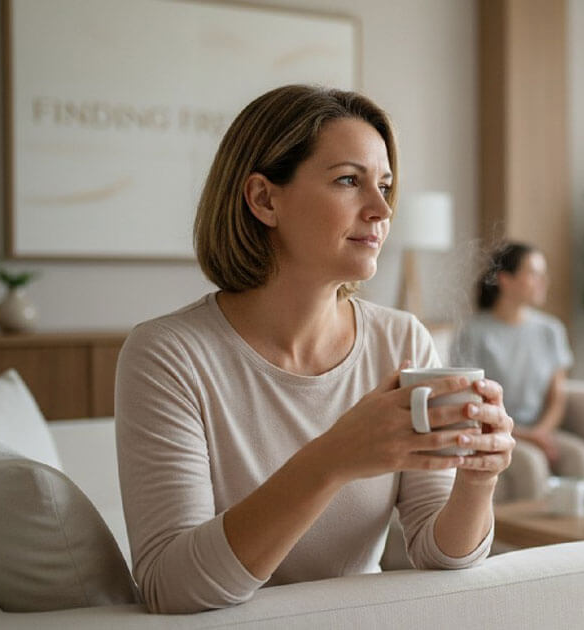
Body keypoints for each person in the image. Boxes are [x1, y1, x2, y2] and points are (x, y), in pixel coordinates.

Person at [114, 85, 515, 614]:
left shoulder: (402, 341)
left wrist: (476, 482)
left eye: (385, 185)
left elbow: (438, 558)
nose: (380, 210)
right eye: (349, 181)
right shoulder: (169, 355)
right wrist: (333, 459)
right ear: (263, 199)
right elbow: (173, 588)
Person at [453, 242, 575, 501]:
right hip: (495, 431)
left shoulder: (551, 330)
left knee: (579, 459)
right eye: (534, 274)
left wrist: (541, 432)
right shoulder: (474, 332)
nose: (543, 282)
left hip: (540, 428)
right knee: (532, 464)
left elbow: (558, 396)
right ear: (505, 280)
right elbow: (469, 399)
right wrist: (524, 435)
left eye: (544, 274)